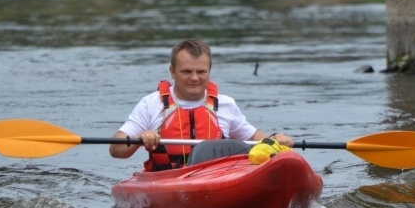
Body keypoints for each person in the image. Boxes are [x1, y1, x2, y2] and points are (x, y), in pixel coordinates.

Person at [109, 39, 294, 170]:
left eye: (201, 71)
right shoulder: (152, 104)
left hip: (217, 179)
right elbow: (116, 150)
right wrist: (140, 138)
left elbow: (253, 137)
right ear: (172, 71)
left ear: (209, 71)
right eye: (187, 71)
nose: (195, 78)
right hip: (167, 180)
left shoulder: (225, 104)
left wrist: (275, 139)